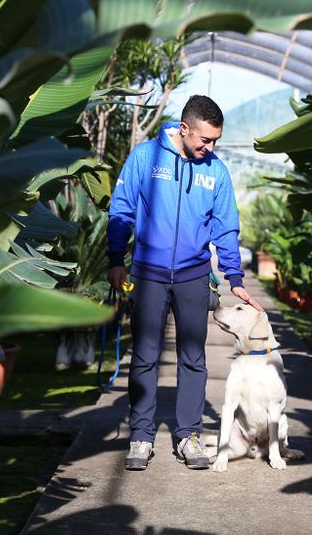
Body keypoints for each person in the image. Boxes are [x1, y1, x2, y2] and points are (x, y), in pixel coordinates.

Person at [107, 95, 263, 471]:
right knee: (144, 357)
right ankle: (141, 436)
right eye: (204, 140)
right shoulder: (146, 157)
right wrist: (115, 259)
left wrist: (235, 278)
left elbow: (226, 228)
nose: (209, 148)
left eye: (215, 142)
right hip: (148, 274)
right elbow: (122, 208)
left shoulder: (216, 171)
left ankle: (188, 435)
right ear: (184, 127)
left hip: (194, 276)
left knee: (194, 358)